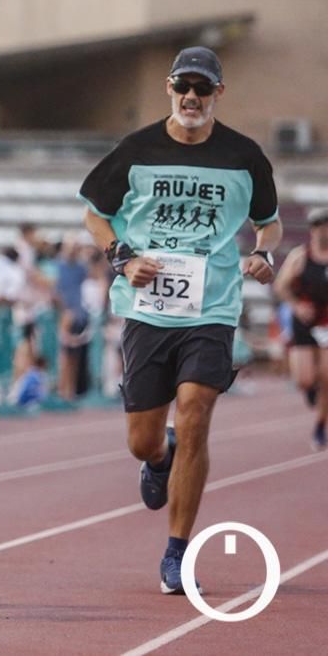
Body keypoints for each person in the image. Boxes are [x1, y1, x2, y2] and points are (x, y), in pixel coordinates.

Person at [81, 46, 281, 595]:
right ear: (170, 89)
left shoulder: (244, 156)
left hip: (212, 307)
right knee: (142, 441)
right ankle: (159, 456)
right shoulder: (137, 148)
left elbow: (269, 223)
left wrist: (264, 255)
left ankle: (177, 551)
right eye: (182, 87)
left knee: (195, 412)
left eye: (202, 88)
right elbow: (94, 215)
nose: (191, 97)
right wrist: (122, 255)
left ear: (219, 93)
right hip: (148, 310)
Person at [273, 207, 328, 449]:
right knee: (305, 379)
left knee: (327, 376)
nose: (323, 230)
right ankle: (311, 390)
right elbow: (281, 286)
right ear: (312, 230)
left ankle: (320, 425)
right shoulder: (300, 256)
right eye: (318, 226)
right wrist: (297, 307)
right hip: (305, 320)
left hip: (327, 321)